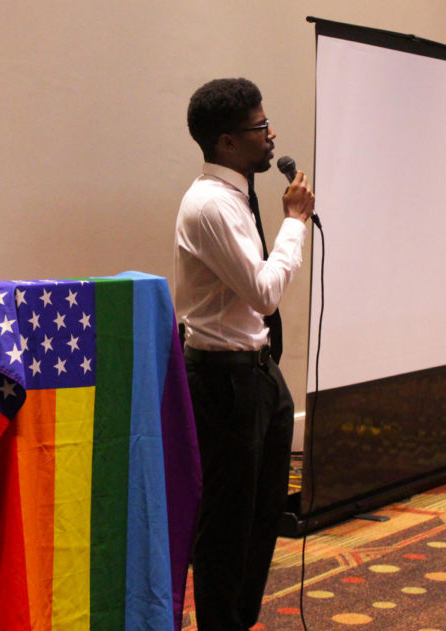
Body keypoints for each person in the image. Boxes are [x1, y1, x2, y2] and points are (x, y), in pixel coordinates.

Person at [173, 77, 315, 631]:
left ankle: (239, 621)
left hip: (258, 374)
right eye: (260, 127)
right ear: (228, 142)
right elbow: (263, 291)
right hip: (222, 383)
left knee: (262, 517)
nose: (271, 134)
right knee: (227, 524)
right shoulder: (209, 206)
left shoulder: (237, 195)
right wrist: (295, 226)